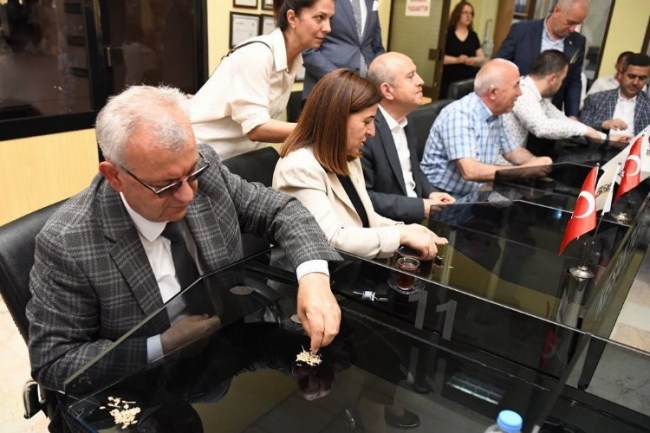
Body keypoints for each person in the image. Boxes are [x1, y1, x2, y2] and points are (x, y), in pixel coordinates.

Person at [27, 85, 343, 399]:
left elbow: (281, 211)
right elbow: (55, 361)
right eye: (165, 186)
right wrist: (162, 345)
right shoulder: (68, 243)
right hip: (145, 390)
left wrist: (314, 278)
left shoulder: (205, 168)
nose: (188, 195)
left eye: (191, 173)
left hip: (231, 349)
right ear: (114, 176)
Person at [273, 68, 448, 261]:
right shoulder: (299, 167)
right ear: (338, 120)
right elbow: (330, 239)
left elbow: (364, 217)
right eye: (366, 122)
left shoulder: (348, 156)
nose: (372, 132)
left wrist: (407, 229)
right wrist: (401, 235)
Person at [189, 0, 335, 160]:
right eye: (320, 17)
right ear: (292, 18)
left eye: (330, 19)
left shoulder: (293, 60)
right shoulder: (257, 55)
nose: (328, 28)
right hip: (199, 158)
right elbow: (256, 128)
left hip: (234, 161)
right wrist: (318, 131)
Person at [420, 59, 553, 198]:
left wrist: (538, 164)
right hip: (444, 198)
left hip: (474, 195)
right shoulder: (460, 115)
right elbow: (470, 171)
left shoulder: (496, 113)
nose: (520, 93)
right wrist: (524, 170)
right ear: (493, 92)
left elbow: (514, 152)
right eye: (516, 86)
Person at [361, 52, 455, 224]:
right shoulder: (366, 130)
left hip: (416, 218)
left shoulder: (407, 118)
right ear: (387, 91)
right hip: (386, 226)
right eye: (410, 76)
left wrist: (431, 193)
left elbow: (413, 169)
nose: (421, 81)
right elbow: (364, 197)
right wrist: (419, 207)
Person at [494, 0, 589, 118]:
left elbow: (574, 81)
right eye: (570, 22)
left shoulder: (578, 42)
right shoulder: (521, 31)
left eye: (578, 24)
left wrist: (572, 116)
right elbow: (499, 66)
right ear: (556, 10)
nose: (572, 29)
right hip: (514, 108)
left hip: (550, 114)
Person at [503, 49, 605, 151]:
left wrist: (602, 136)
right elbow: (542, 127)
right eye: (562, 80)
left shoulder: (536, 94)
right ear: (552, 79)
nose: (561, 84)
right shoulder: (524, 92)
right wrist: (585, 130)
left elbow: (560, 118)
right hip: (504, 160)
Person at [301, 0, 384, 100]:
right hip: (328, 90)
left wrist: (381, 76)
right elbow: (307, 48)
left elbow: (377, 47)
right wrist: (341, 80)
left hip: (367, 93)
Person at [580, 53, 650, 143]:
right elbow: (581, 129)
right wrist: (603, 124)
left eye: (642, 78)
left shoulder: (648, 105)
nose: (635, 82)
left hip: (635, 150)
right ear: (620, 75)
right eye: (631, 76)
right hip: (600, 148)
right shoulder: (596, 99)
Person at [440, 1, 485, 100]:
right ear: (457, 14)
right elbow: (439, 58)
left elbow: (481, 57)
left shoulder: (473, 35)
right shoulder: (447, 34)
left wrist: (473, 60)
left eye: (471, 13)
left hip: (467, 80)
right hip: (449, 78)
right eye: (465, 13)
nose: (469, 16)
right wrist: (457, 60)